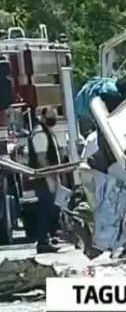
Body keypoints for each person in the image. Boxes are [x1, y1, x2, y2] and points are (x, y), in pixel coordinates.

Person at [27, 107, 62, 253]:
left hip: (47, 176)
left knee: (49, 208)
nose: (53, 120)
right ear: (42, 117)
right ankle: (42, 242)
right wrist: (51, 177)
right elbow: (42, 158)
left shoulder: (45, 131)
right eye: (50, 117)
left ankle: (46, 238)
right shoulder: (40, 134)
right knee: (45, 209)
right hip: (44, 178)